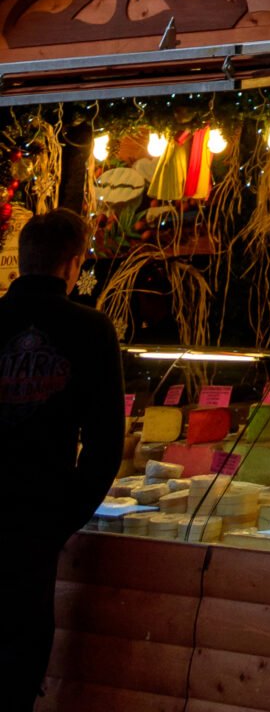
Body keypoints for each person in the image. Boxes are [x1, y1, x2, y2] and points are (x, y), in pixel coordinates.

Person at [0, 207, 124, 712]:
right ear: (73, 265)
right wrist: (62, 516)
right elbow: (105, 446)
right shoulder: (91, 329)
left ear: (23, 259)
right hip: (34, 519)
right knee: (17, 659)